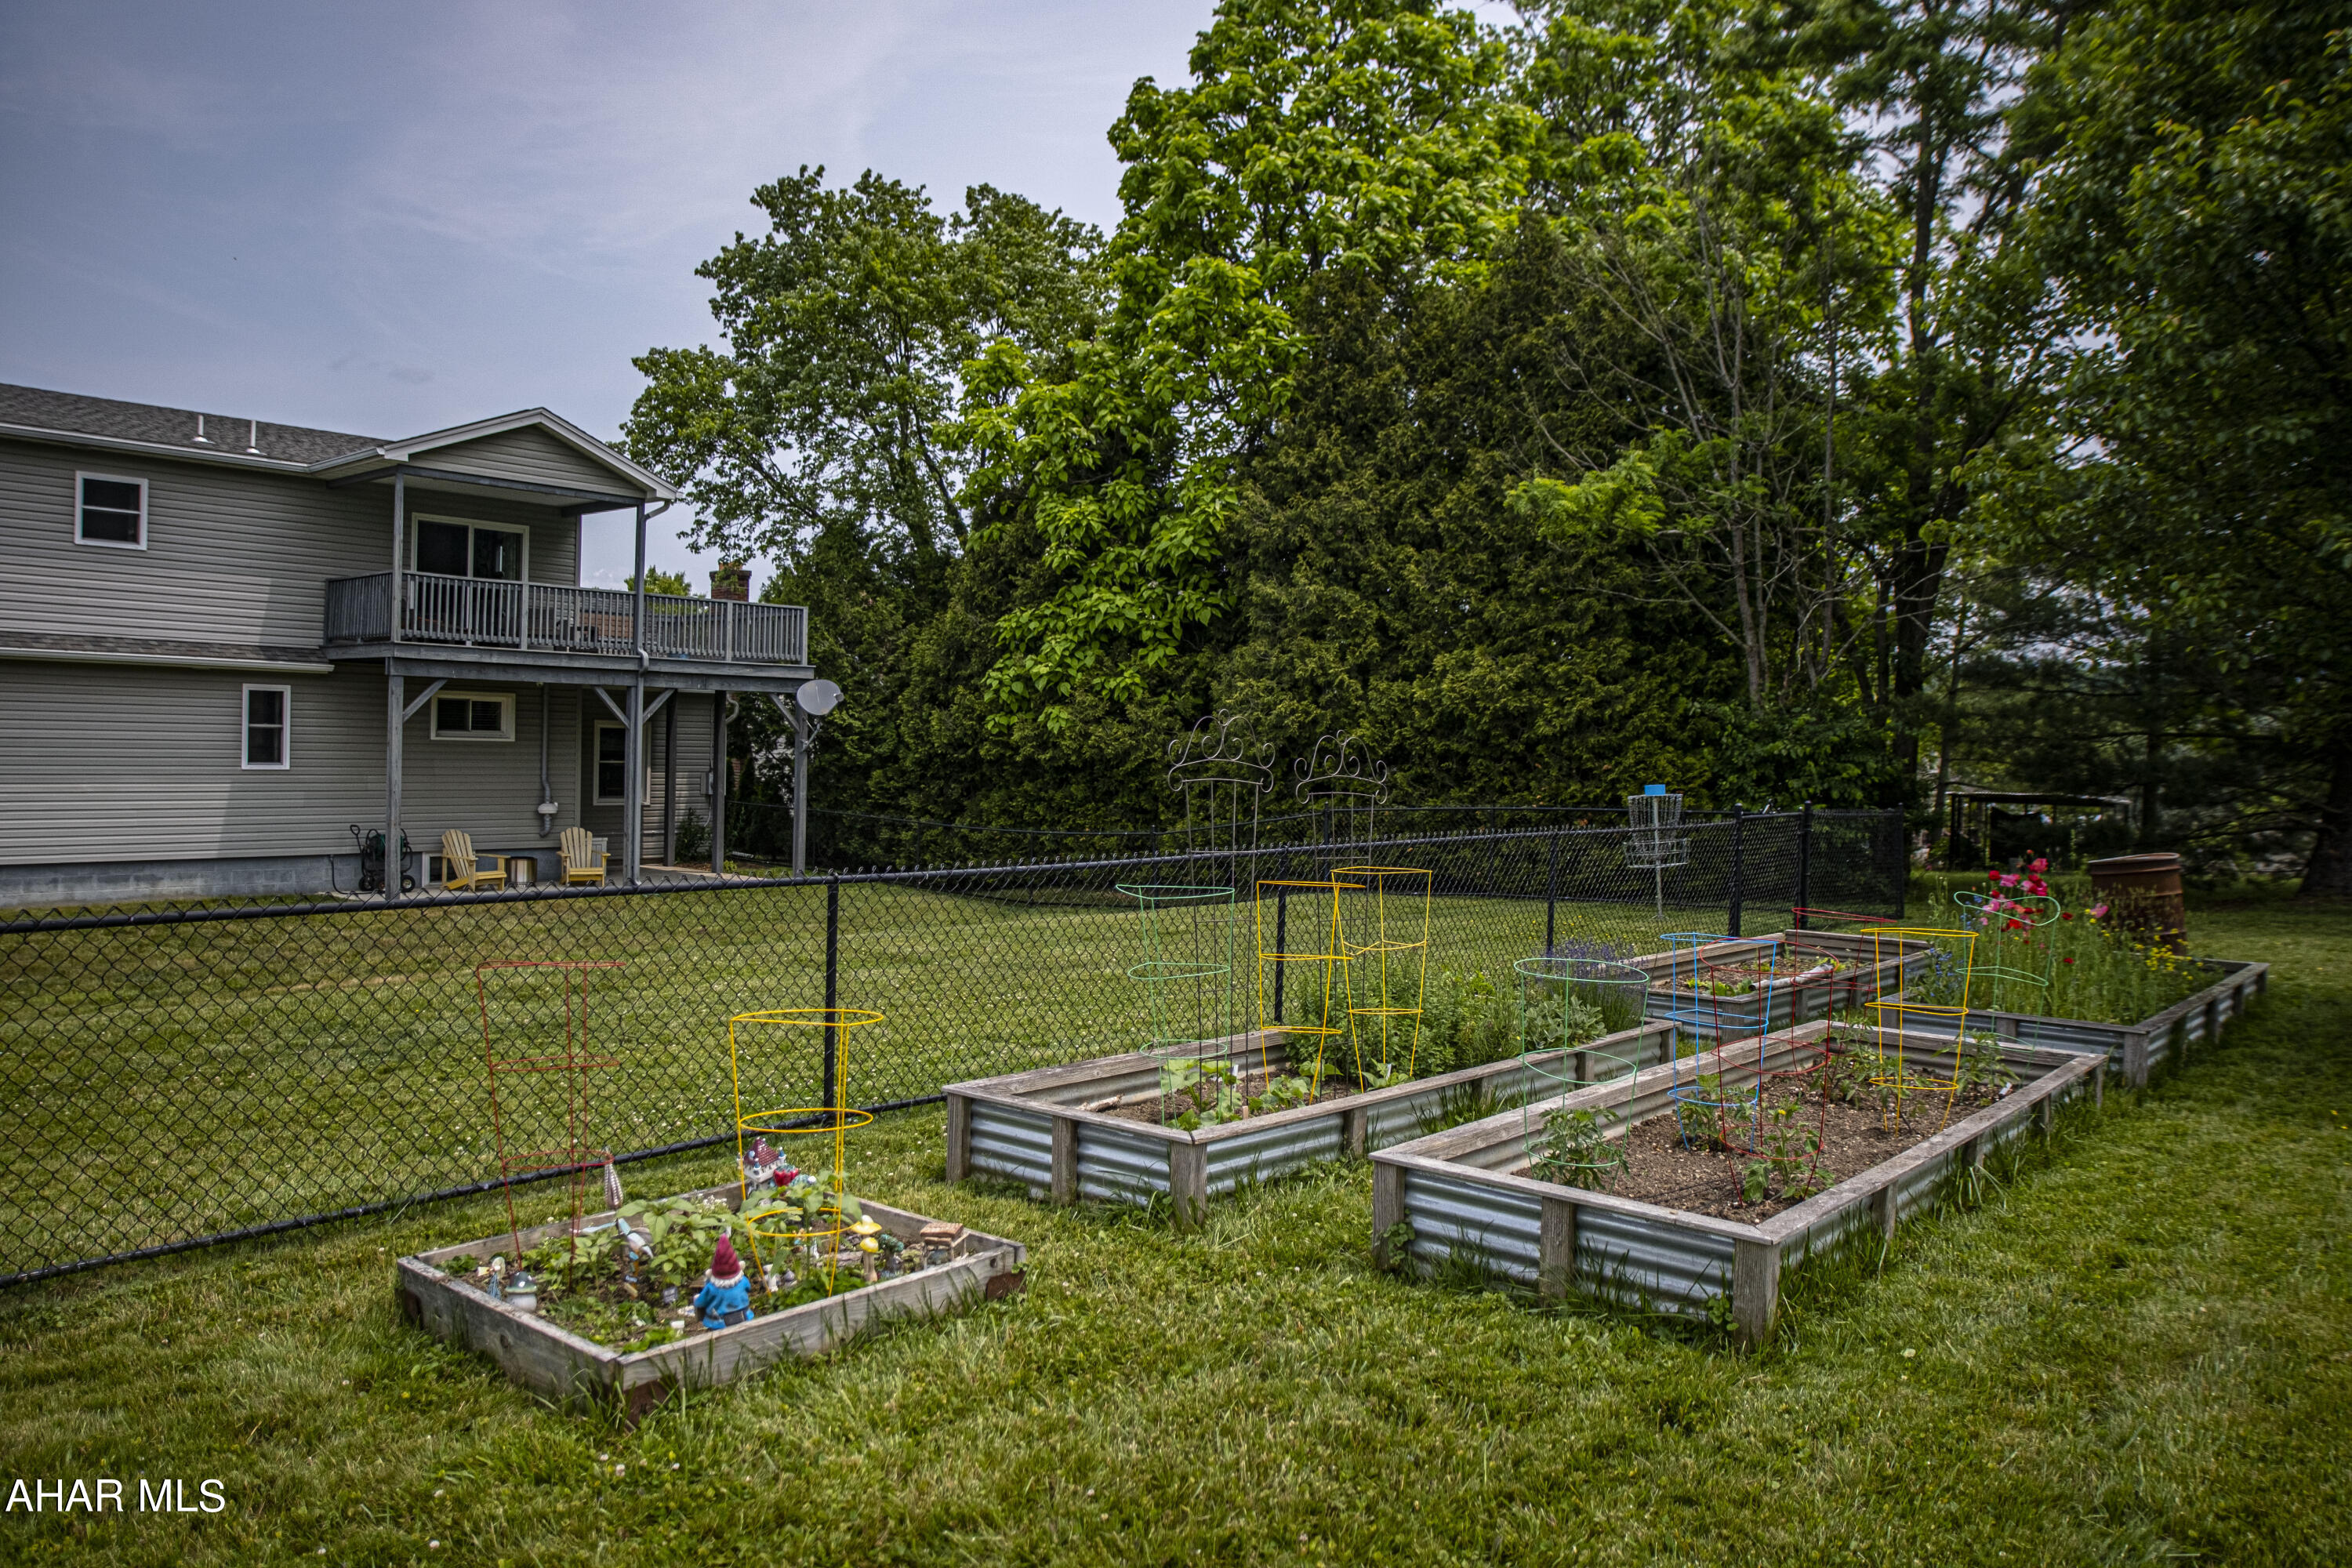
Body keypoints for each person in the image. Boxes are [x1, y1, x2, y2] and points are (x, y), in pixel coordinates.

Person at [692, 1234, 753, 1330]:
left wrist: (696, 1299)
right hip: (744, 1317)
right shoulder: (743, 1281)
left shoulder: (711, 1288)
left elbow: (700, 1302)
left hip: (718, 1324)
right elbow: (749, 1288)